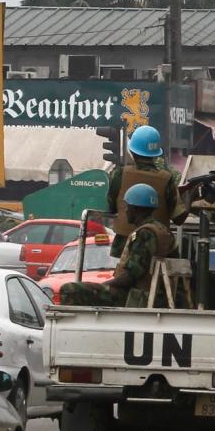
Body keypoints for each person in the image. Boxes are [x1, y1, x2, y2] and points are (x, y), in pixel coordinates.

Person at [60, 184, 176, 308]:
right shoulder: (163, 230)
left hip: (138, 295)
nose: (125, 211)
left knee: (70, 289)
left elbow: (129, 277)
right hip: (157, 295)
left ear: (135, 209)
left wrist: (104, 285)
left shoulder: (145, 234)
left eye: (127, 206)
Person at [107, 125, 183, 257]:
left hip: (124, 247)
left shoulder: (120, 174)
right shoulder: (166, 178)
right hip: (155, 249)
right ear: (155, 154)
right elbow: (179, 218)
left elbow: (111, 207)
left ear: (133, 151)